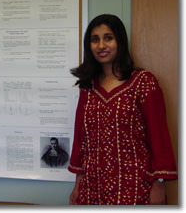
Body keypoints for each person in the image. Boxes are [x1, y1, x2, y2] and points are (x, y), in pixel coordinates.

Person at [68, 14, 177, 205]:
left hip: (134, 187)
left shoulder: (143, 82)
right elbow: (81, 138)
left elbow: (158, 137)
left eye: (108, 38)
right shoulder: (88, 87)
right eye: (95, 39)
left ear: (120, 40)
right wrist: (78, 182)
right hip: (93, 187)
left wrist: (159, 184)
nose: (101, 45)